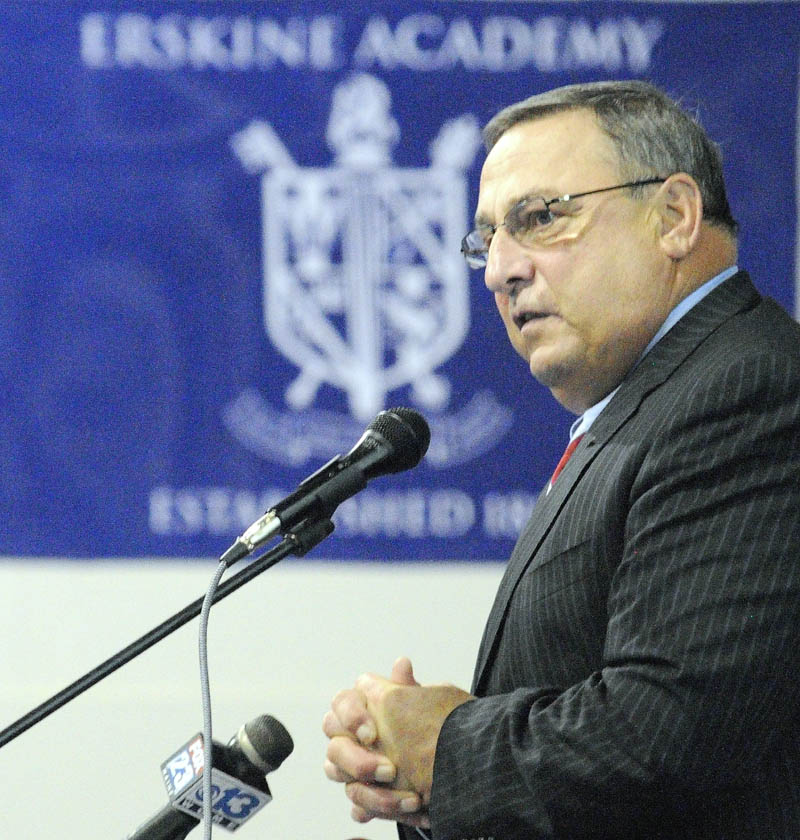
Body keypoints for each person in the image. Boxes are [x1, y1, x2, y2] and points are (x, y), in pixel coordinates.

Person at [322, 80, 800, 839]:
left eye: (541, 218)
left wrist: (444, 749)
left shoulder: (747, 390)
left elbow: (665, 733)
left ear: (674, 217)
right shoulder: (652, 402)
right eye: (487, 239)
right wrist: (414, 772)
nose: (499, 270)